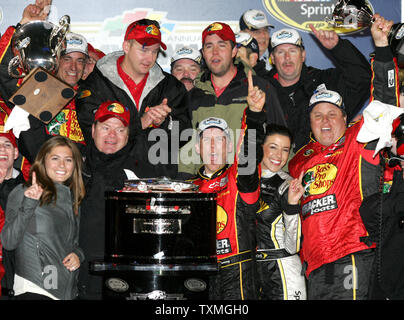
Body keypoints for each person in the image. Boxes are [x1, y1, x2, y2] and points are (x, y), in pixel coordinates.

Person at [287, 16, 395, 297]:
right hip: (313, 266)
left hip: (353, 254)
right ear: (308, 123)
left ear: (346, 118)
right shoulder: (299, 159)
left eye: (332, 114)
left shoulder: (359, 139)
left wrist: (382, 48)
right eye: (317, 115)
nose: (325, 121)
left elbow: (384, 100)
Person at [76, 18, 191, 178]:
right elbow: (90, 130)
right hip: (109, 180)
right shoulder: (96, 83)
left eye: (154, 51)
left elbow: (185, 135)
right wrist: (139, 123)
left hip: (158, 183)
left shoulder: (171, 86)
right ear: (126, 46)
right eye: (144, 50)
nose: (149, 58)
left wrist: (164, 123)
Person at [190, 70, 265, 300]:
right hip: (200, 275)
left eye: (220, 139)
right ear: (197, 147)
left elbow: (250, 154)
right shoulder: (188, 189)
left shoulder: (239, 177)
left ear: (230, 147)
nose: (213, 146)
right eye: (206, 139)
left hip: (238, 270)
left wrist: (253, 114)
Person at [178, 21, 285, 177]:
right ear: (203, 53)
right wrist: (186, 185)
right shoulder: (194, 95)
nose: (215, 52)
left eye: (221, 45)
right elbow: (187, 150)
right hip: (206, 189)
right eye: (209, 46)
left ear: (234, 51)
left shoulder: (260, 88)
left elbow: (282, 141)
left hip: (248, 188)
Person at [77, 100, 155, 300]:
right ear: (93, 130)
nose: (112, 135)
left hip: (127, 275)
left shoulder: (142, 172)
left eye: (120, 130)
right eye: (105, 127)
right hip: (79, 270)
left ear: (128, 135)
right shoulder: (74, 162)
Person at [0, 135, 85, 300]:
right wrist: (29, 203)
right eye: (55, 158)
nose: (62, 165)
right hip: (35, 288)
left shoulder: (73, 198)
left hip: (67, 291)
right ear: (43, 161)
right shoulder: (23, 191)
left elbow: (75, 243)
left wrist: (78, 255)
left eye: (68, 160)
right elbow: (8, 241)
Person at [265, 26, 372, 153]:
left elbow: (363, 79)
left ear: (303, 55)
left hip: (324, 167)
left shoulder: (325, 81)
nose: (287, 57)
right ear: (272, 57)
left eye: (293, 51)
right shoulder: (261, 88)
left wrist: (338, 47)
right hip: (274, 166)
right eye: (280, 52)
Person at [256, 124, 306, 300]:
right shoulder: (241, 180)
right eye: (273, 147)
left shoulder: (288, 185)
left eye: (285, 150)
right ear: (260, 146)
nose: (279, 156)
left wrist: (292, 205)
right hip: (252, 274)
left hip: (283, 272)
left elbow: (293, 247)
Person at [0, 109, 25, 299]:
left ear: (15, 153)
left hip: (17, 282)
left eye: (7, 145)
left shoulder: (29, 189)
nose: (1, 149)